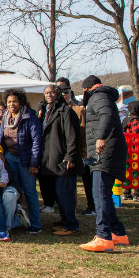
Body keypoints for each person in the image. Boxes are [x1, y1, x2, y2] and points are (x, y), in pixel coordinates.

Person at [79, 75, 129, 252]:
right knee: (104, 194)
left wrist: (100, 137)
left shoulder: (98, 96)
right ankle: (119, 233)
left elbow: (106, 116)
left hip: (105, 151)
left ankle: (103, 237)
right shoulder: (103, 96)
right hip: (108, 150)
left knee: (99, 195)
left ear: (86, 89)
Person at [0, 88, 43, 234]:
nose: (11, 104)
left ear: (21, 102)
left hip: (26, 159)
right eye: (9, 102)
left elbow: (36, 141)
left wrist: (35, 163)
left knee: (29, 191)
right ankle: (15, 219)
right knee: (12, 190)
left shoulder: (29, 117)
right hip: (10, 157)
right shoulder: (6, 117)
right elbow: (0, 138)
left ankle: (36, 224)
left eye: (14, 101)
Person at [39, 84, 81, 236]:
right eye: (46, 93)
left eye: (52, 92)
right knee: (57, 194)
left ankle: (71, 224)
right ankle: (65, 220)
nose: (49, 95)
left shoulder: (65, 112)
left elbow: (72, 137)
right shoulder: (46, 111)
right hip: (50, 159)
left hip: (63, 159)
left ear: (58, 94)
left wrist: (70, 156)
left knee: (64, 193)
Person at [56, 79, 94, 215]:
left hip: (76, 152)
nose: (63, 94)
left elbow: (83, 134)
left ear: (70, 92)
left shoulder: (78, 109)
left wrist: (84, 154)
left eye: (66, 92)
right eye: (60, 92)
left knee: (78, 183)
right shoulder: (53, 109)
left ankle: (86, 207)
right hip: (59, 152)